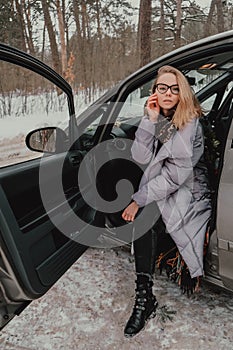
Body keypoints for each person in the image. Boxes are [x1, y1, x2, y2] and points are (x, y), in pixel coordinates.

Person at [121, 65, 212, 338]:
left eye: (174, 88)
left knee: (145, 215)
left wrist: (137, 200)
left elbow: (175, 177)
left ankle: (143, 298)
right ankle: (145, 296)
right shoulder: (158, 116)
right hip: (165, 184)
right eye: (162, 88)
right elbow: (139, 155)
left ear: (182, 91)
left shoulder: (189, 121)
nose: (168, 93)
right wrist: (149, 120)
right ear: (154, 93)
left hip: (188, 189)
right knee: (146, 212)